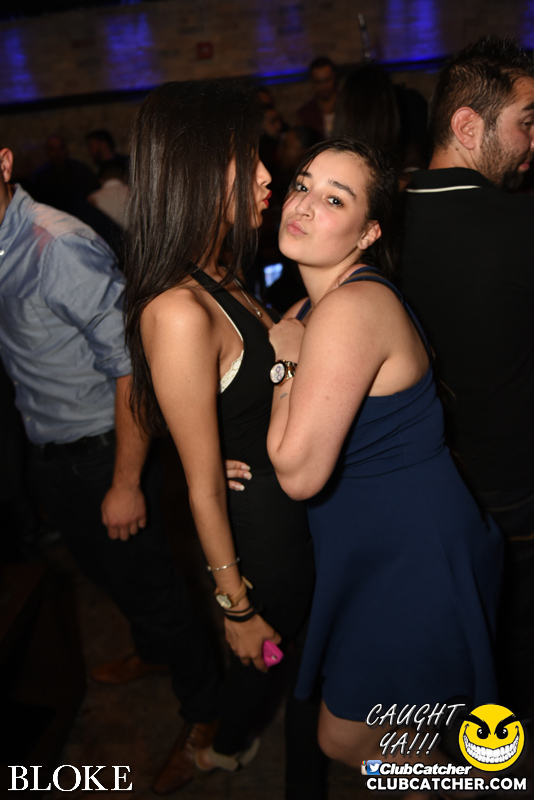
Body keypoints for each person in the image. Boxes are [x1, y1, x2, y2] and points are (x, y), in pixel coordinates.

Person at [265, 138, 502, 768]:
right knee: (393, 735)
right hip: (374, 550)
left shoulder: (350, 308)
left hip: (411, 554)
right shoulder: (309, 306)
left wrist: (285, 362)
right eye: (303, 185)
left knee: (347, 737)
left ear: (369, 232)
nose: (305, 205)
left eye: (334, 199)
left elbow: (297, 473)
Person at [0, 145, 222, 790]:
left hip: (104, 455)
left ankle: (209, 716)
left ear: (5, 163)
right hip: (52, 451)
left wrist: (126, 483)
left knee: (155, 589)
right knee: (110, 577)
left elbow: (134, 368)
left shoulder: (55, 247)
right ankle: (154, 652)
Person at [124, 80, 321, 798]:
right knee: (271, 663)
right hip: (266, 536)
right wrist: (235, 606)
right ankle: (223, 748)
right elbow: (202, 483)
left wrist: (291, 331)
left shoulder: (220, 274)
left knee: (296, 665)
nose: (268, 175)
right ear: (199, 170)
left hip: (288, 506)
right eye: (249, 157)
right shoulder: (177, 309)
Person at [399, 35, 534, 718]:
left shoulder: (378, 225)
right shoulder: (520, 225)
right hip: (512, 480)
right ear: (467, 125)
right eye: (527, 122)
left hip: (425, 484)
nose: (533, 141)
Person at [297, 57, 339, 139]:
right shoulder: (305, 113)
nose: (323, 87)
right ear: (312, 82)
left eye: (327, 80)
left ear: (334, 77)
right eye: (318, 82)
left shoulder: (348, 106)